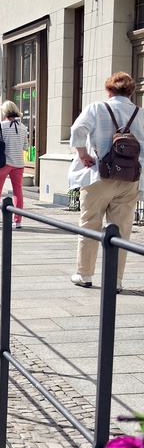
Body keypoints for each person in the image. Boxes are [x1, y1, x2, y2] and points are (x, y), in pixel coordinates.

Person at [69, 71, 144, 291]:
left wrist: (83, 154)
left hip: (99, 175)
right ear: (131, 92)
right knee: (121, 230)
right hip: (129, 179)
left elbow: (77, 130)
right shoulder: (140, 114)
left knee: (90, 223)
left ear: (109, 90)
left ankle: (84, 274)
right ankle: (116, 280)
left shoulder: (97, 108)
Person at [0, 101, 27, 230]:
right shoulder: (23, 127)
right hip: (19, 163)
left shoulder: (0, 125)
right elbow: (25, 147)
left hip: (3, 163)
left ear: (4, 113)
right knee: (17, 191)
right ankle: (17, 220)